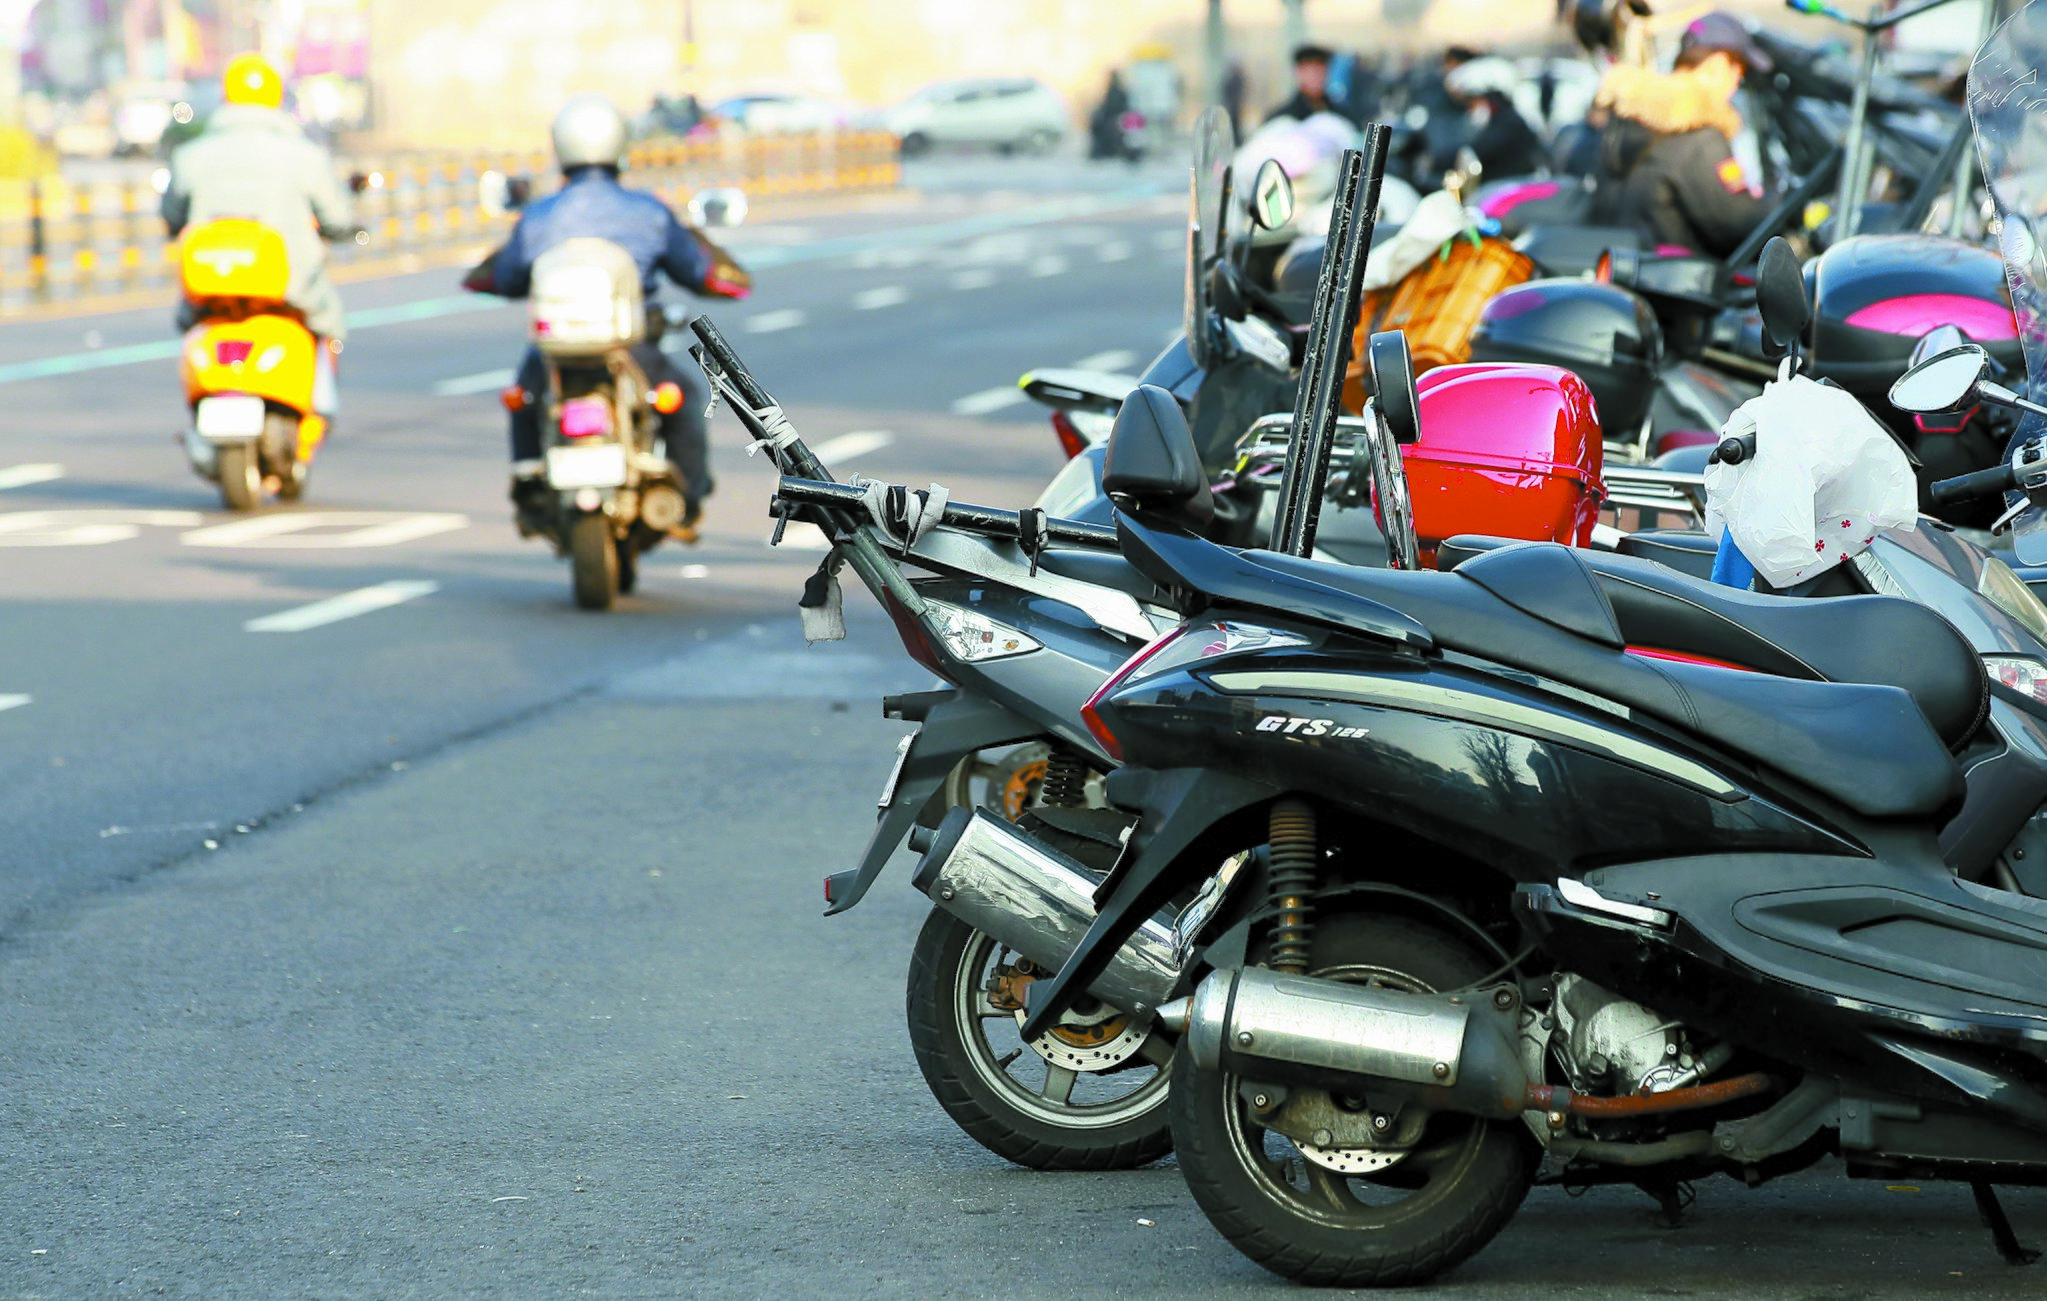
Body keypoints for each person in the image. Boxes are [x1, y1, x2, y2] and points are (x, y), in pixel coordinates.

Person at [476, 94, 748, 529]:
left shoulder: (538, 216)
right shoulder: (648, 211)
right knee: (681, 400)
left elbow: (505, 278)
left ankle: (528, 485)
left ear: (561, 148)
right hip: (631, 346)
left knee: (523, 399)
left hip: (554, 352)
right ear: (621, 144)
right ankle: (688, 501)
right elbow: (698, 271)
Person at [162, 53, 354, 418]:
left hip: (211, 291)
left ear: (226, 96)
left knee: (191, 324)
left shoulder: (191, 155)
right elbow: (338, 218)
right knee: (327, 322)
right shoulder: (305, 156)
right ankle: (320, 407)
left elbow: (171, 215)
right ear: (277, 96)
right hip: (292, 289)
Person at [1597, 13, 1775, 258]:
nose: (1737, 82)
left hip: (1631, 267)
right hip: (1677, 277)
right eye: (1738, 70)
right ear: (1717, 66)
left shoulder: (1633, 119)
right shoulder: (1699, 137)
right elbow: (1739, 225)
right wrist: (1779, 203)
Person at [1444, 56, 1546, 179]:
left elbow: (1479, 150)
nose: (1471, 108)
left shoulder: (1509, 123)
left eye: (1474, 100)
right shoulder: (1497, 122)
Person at [1267, 45, 1358, 125]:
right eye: (1310, 71)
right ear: (1298, 72)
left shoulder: (1342, 117)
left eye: (1319, 70)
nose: (1315, 76)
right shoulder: (1283, 118)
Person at [1088, 70, 1132, 160]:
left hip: (1118, 120)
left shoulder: (1120, 93)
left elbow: (1123, 108)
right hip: (1108, 120)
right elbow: (1104, 108)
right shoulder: (1108, 92)